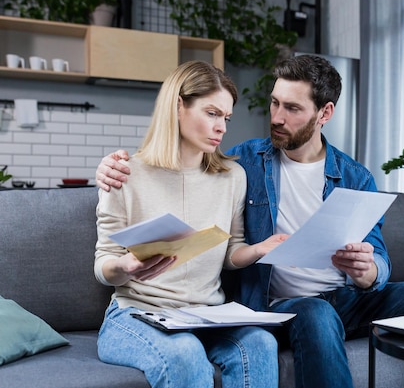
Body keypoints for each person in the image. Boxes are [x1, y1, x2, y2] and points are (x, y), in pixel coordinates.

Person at [96, 55, 404, 388]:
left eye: (293, 108)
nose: (277, 118)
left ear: (325, 113)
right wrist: (109, 166)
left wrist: (368, 271)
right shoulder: (245, 162)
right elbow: (184, 160)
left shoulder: (354, 176)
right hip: (290, 304)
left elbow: (378, 261)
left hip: (350, 299)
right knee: (316, 314)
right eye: (274, 104)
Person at [94, 60, 287, 388]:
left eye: (226, 117)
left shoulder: (232, 177)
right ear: (178, 106)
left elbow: (231, 250)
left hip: (205, 315)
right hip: (136, 314)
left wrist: (257, 250)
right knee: (184, 352)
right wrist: (126, 266)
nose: (222, 127)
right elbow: (103, 266)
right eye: (212, 113)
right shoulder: (125, 173)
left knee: (260, 343)